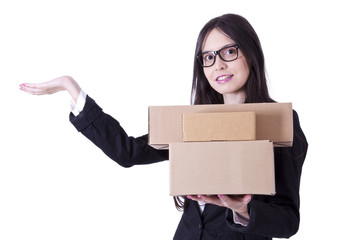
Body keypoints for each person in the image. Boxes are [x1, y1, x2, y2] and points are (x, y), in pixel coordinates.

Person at [20, 13, 308, 240]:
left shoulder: (280, 121)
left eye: (228, 52)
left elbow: (288, 221)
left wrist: (244, 210)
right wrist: (72, 89)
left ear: (251, 53)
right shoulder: (196, 122)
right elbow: (129, 152)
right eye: (208, 57)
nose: (218, 65)